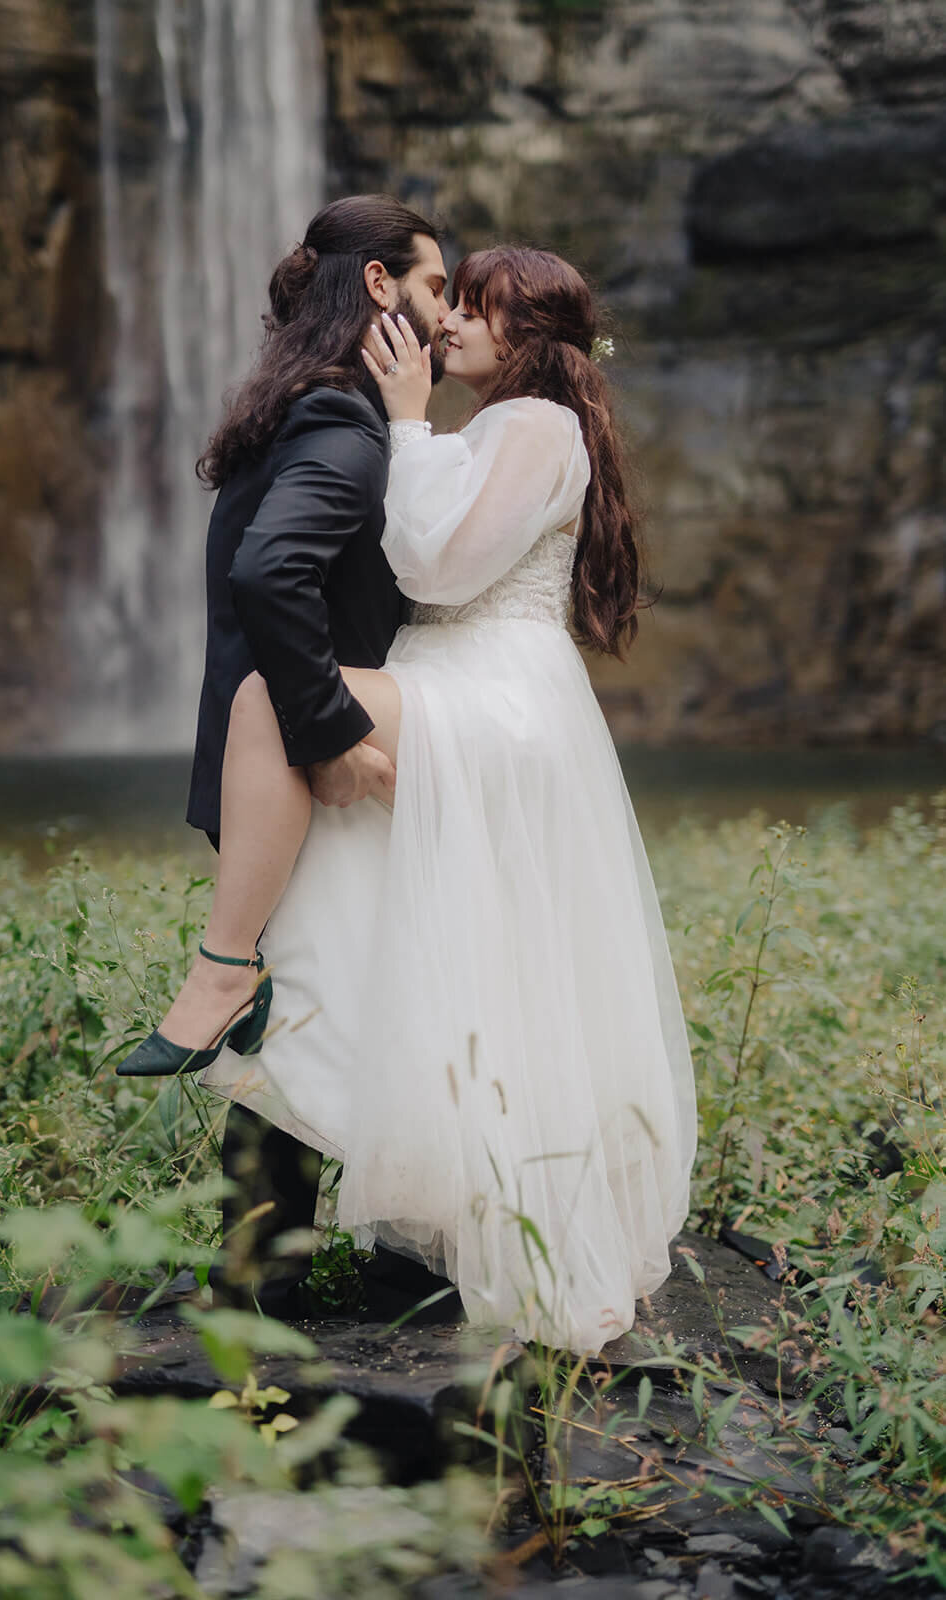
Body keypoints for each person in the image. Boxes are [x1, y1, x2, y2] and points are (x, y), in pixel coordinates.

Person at [123, 214, 699, 1352]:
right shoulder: (506, 425)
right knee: (415, 937)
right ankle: (367, 1205)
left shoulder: (530, 424)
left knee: (267, 705)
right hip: (462, 685)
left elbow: (439, 563)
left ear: (524, 331)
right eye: (450, 294)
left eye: (473, 305)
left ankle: (222, 966)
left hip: (491, 695)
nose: (447, 322)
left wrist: (402, 423)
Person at [115, 194, 454, 1316]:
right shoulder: (344, 428)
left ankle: (271, 1267)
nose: (444, 315)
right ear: (376, 286)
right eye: (434, 286)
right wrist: (334, 733)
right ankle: (343, 1266)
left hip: (264, 753)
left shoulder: (303, 406)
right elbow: (271, 578)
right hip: (305, 755)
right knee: (345, 985)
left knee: (318, 983)